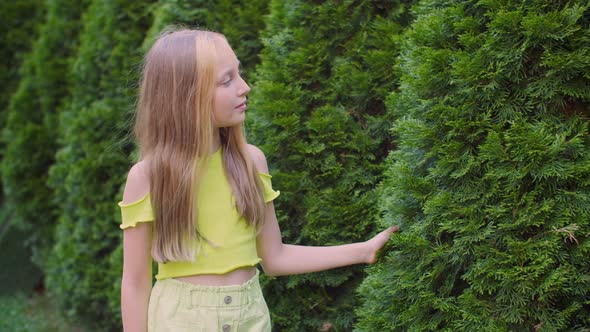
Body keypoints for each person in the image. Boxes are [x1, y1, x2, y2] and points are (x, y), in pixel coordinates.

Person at [119, 28, 399, 332]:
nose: (245, 87)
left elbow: (274, 257)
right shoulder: (148, 177)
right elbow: (135, 284)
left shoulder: (250, 162)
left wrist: (364, 250)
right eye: (227, 80)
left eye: (239, 74)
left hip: (250, 319)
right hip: (180, 321)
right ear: (187, 97)